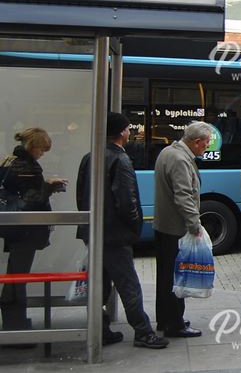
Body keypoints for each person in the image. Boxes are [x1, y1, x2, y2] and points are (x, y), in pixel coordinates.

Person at [77, 113, 169, 349]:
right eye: (129, 128)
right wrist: (134, 225)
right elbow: (127, 201)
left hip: (95, 231)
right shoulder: (121, 159)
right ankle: (142, 331)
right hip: (115, 234)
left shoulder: (90, 156)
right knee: (129, 284)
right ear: (120, 132)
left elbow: (80, 194)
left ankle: (101, 328)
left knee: (100, 283)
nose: (131, 132)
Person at [0, 128, 67, 341]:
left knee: (14, 276)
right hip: (25, 229)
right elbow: (31, 201)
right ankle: (16, 326)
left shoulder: (9, 161)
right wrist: (49, 187)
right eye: (42, 149)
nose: (43, 154)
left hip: (14, 227)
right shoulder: (26, 167)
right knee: (17, 278)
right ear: (33, 146)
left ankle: (15, 322)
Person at [153, 121, 211, 338]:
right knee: (176, 277)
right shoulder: (179, 159)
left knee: (165, 275)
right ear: (196, 142)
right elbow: (183, 195)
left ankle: (165, 319)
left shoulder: (168, 152)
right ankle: (175, 324)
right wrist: (194, 224)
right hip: (174, 228)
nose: (205, 148)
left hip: (164, 225)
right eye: (205, 144)